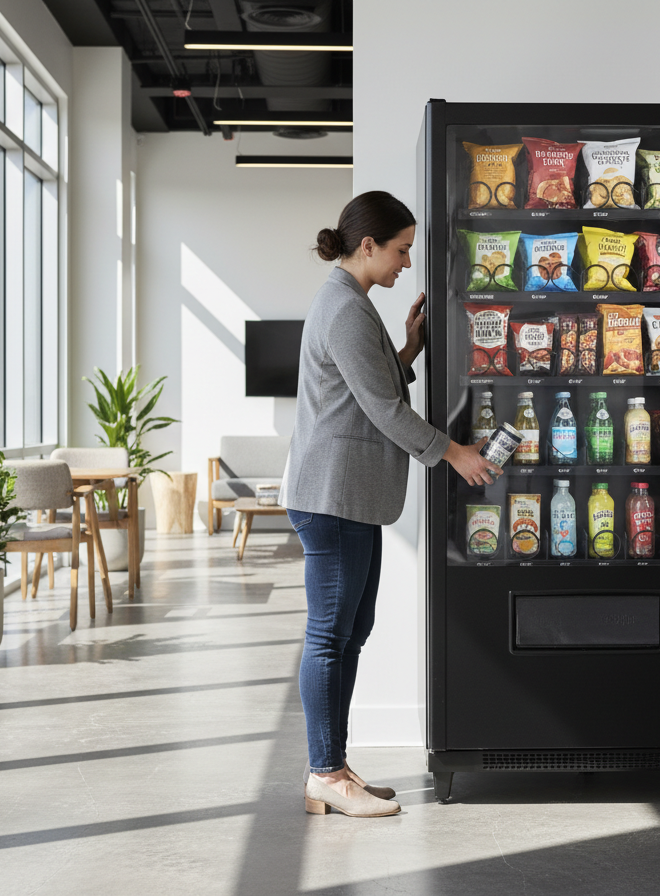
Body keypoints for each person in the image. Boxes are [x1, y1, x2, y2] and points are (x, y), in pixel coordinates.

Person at [280, 191, 499, 818]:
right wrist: (453, 452)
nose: (408, 263)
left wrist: (407, 350)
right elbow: (382, 408)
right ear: (368, 246)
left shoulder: (350, 300)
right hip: (335, 496)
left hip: (349, 496)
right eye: (401, 250)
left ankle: (333, 766)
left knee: (351, 632)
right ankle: (325, 772)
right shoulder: (345, 308)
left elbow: (366, 387)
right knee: (330, 637)